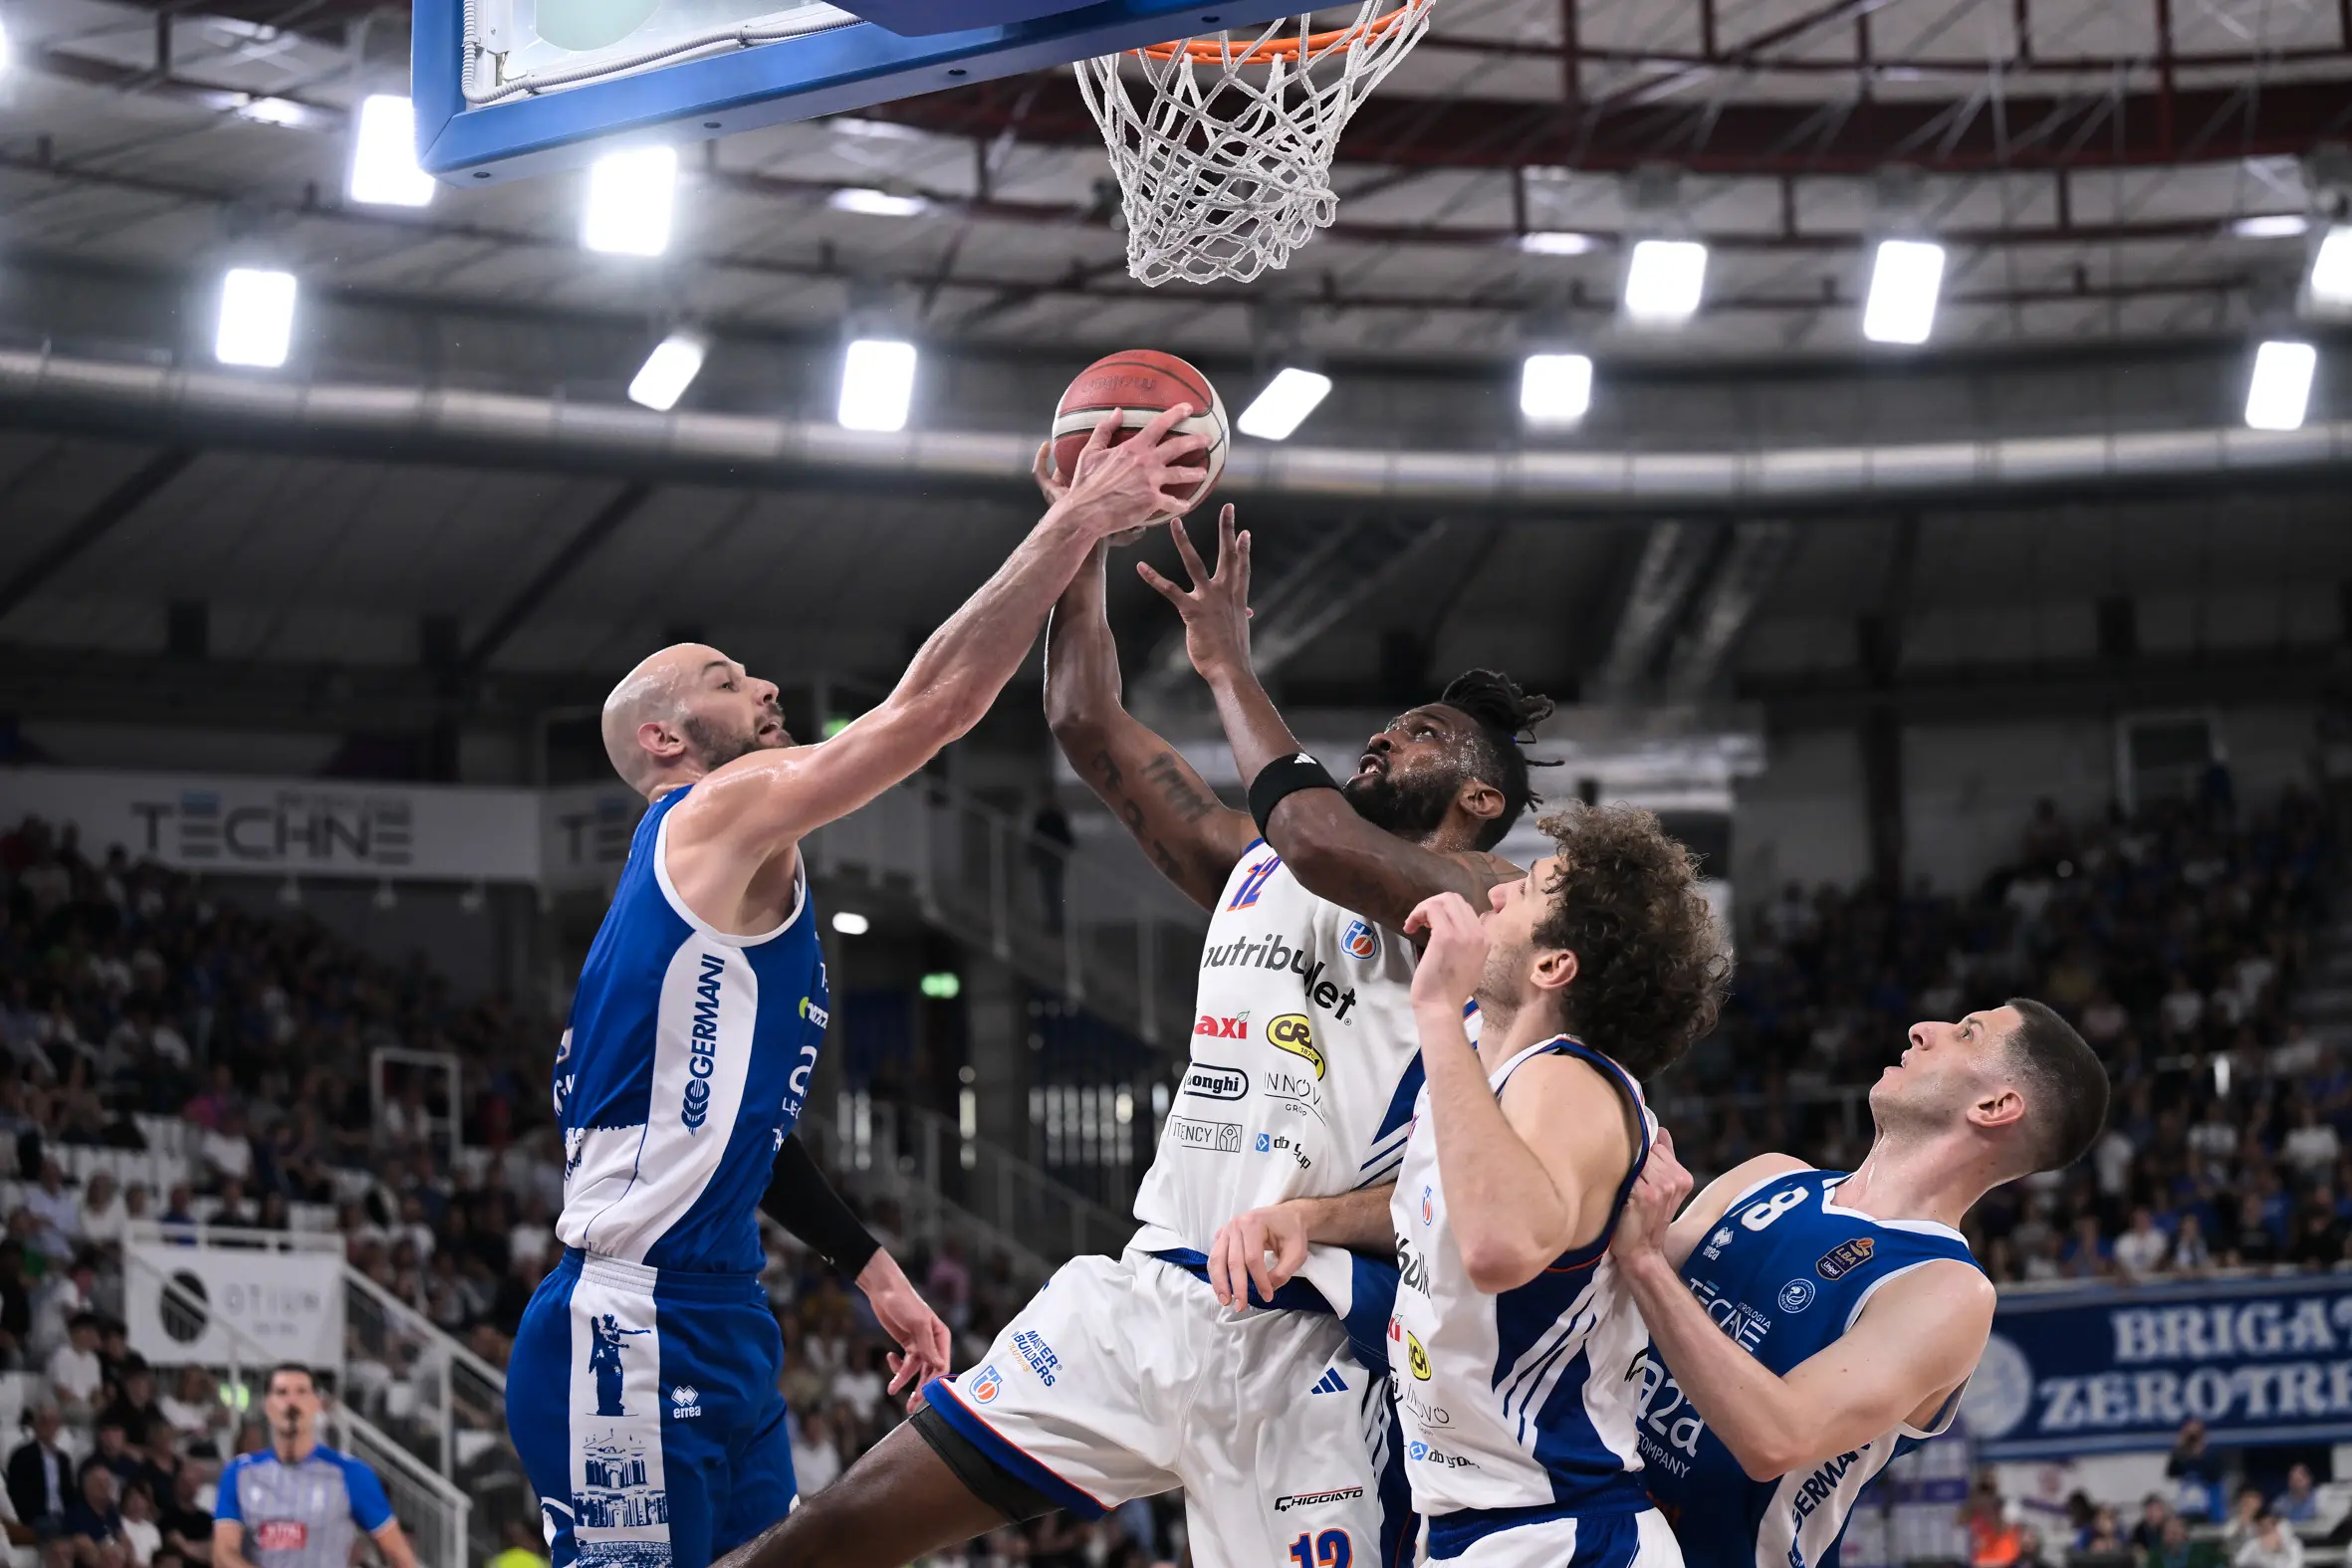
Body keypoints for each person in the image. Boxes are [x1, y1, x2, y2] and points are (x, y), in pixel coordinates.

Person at [712, 499, 1554, 1568]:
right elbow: (1084, 720)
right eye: (1393, 724)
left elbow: (1315, 836)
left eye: (1424, 734)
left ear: (1482, 797)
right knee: (825, 1538)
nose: (1388, 735)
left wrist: (1224, 664)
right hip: (1145, 1299)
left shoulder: (1487, 897)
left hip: (1308, 1352)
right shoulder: (1255, 861)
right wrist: (1078, 533)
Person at [507, 402, 1211, 1568]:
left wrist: (871, 1266)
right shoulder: (704, 818)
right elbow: (930, 710)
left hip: (723, 1312)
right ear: (668, 745)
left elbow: (744, 1132)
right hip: (625, 1321)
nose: (764, 684)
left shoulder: (737, 884)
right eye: (727, 681)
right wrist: (1078, 519)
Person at [1606, 1000, 2110, 1568]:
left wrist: (1647, 1262)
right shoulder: (1769, 1176)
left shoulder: (1947, 1289)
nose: (1922, 1029)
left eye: (1967, 1034)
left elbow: (1775, 1437)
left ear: (1994, 1106)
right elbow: (1604, 1279)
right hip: (1581, 1527)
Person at [1375, 810, 1728, 1568]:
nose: (1496, 897)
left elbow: (1499, 1246)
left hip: (1559, 1531)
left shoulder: (1569, 1078)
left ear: (1551, 966)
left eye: (1527, 891)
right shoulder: (1483, 1067)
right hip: (1486, 1524)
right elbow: (1443, 1218)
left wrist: (1436, 1005)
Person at [210, 1365, 416, 1568]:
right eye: (282, 1392)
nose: (291, 1402)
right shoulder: (239, 1474)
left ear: (316, 1403)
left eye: (301, 1392)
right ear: (268, 1405)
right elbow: (223, 1554)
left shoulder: (351, 1474)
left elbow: (400, 1555)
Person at [7, 1402, 73, 1538]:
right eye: (43, 1421)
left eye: (53, 1422)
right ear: (35, 1425)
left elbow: (69, 1494)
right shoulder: (22, 1455)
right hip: (38, 1518)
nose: (48, 1426)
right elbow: (17, 1494)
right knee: (59, 1530)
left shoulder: (63, 1459)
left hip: (62, 1516)